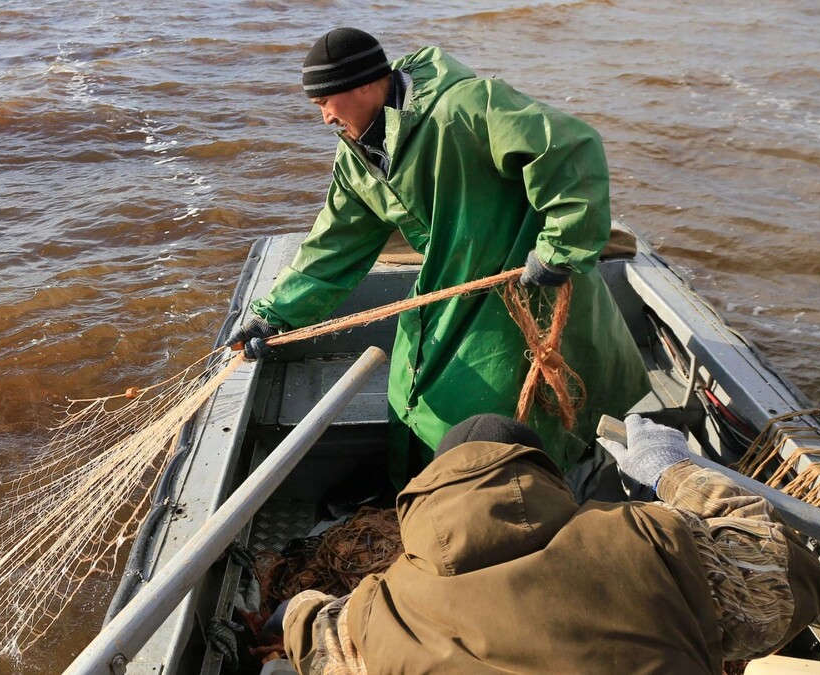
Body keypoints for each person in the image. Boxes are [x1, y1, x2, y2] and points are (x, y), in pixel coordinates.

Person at [225, 27, 650, 486]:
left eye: (325, 103)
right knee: (411, 391)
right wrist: (274, 315)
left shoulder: (466, 107)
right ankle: (421, 494)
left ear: (366, 85)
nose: (325, 118)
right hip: (451, 282)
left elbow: (569, 146)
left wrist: (558, 251)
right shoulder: (357, 155)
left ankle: (539, 496)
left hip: (527, 286)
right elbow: (335, 243)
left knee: (496, 407)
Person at [273, 414, 820, 675]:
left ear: (423, 498)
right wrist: (673, 470)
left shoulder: (372, 613)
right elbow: (792, 586)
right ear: (546, 481)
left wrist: (293, 608)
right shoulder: (653, 537)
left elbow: (308, 631)